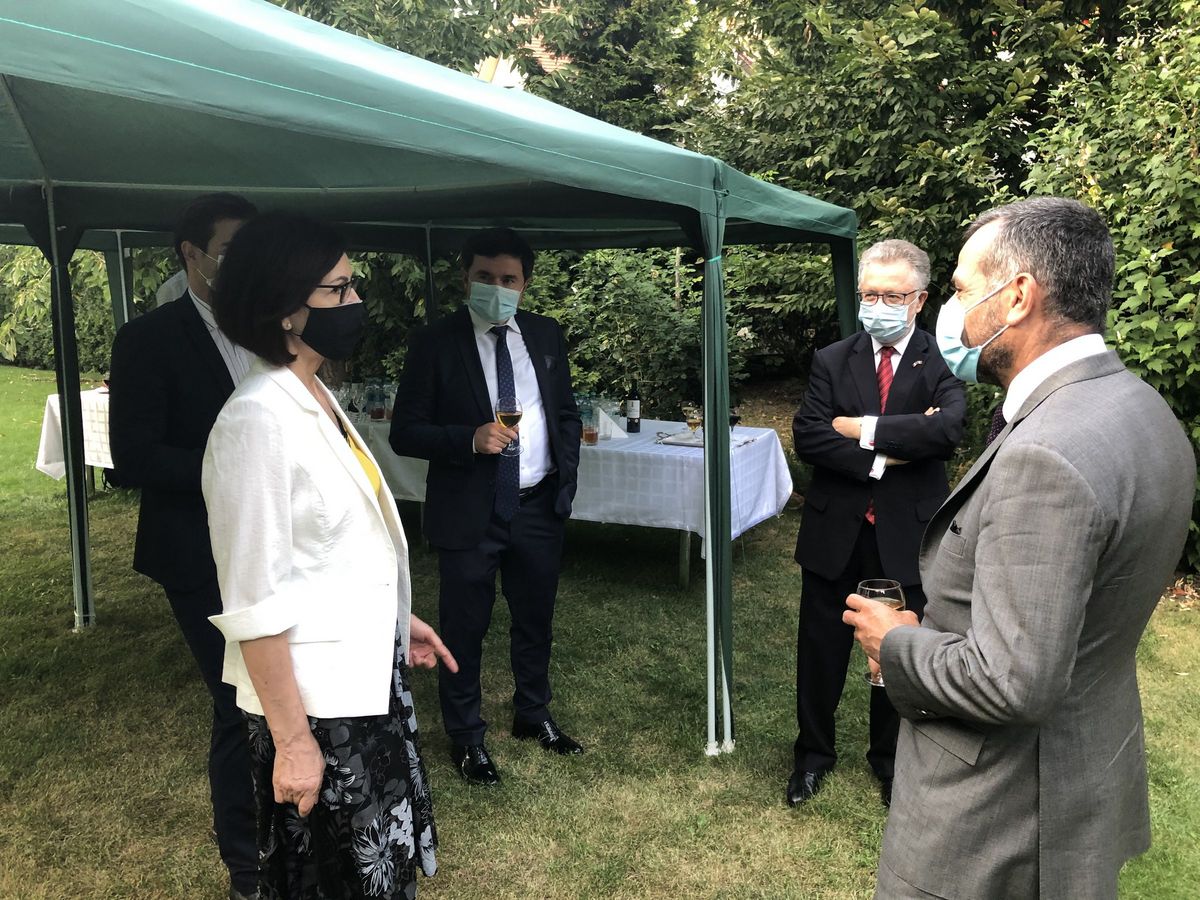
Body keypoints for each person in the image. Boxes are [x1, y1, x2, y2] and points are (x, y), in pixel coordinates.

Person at [845, 197, 1196, 899]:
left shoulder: (1047, 453)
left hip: (995, 819)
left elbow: (1011, 680)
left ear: (1017, 297)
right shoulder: (1139, 407)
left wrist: (898, 643)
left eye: (961, 289)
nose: (952, 310)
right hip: (1081, 774)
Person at [202, 211, 457, 899]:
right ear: (285, 308)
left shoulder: (313, 393)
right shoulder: (256, 419)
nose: (356, 302)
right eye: (339, 290)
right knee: (330, 882)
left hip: (362, 686)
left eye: (352, 285)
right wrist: (294, 745)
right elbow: (254, 603)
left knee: (379, 876)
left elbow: (333, 548)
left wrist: (397, 620)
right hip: (317, 713)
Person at [108, 192, 260, 900]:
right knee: (237, 700)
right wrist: (230, 465)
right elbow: (134, 457)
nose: (243, 265)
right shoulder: (149, 338)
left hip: (270, 543)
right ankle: (247, 867)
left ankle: (291, 833)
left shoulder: (271, 329)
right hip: (197, 550)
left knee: (274, 696)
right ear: (191, 255)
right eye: (231, 251)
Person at [391, 227, 583, 786]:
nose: (496, 288)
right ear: (465, 278)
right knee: (464, 626)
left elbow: (565, 413)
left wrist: (564, 480)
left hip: (538, 507)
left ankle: (533, 713)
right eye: (484, 276)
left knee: (535, 619)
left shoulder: (545, 335)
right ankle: (467, 737)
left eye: (508, 279)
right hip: (469, 511)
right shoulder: (435, 342)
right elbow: (405, 432)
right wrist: (468, 439)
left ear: (525, 284)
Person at [787, 239, 966, 810]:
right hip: (835, 531)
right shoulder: (832, 358)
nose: (878, 306)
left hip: (906, 534)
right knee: (820, 651)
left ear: (919, 300)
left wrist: (857, 427)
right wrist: (886, 454)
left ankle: (890, 762)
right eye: (869, 295)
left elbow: (947, 431)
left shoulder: (943, 358)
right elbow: (809, 436)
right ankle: (812, 756)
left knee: (895, 651)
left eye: (891, 296)